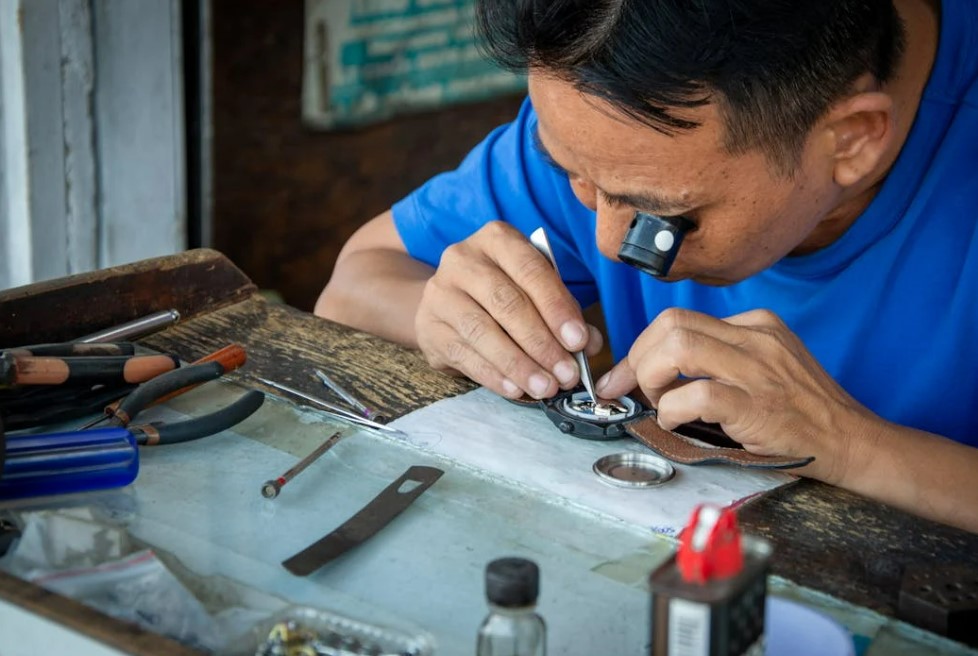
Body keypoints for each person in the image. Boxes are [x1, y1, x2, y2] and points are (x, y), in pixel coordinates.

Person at [316, 0, 978, 532]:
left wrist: (852, 445)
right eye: (570, 174)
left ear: (852, 139)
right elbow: (355, 284)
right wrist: (454, 319)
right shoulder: (609, 116)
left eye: (661, 213)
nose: (605, 242)